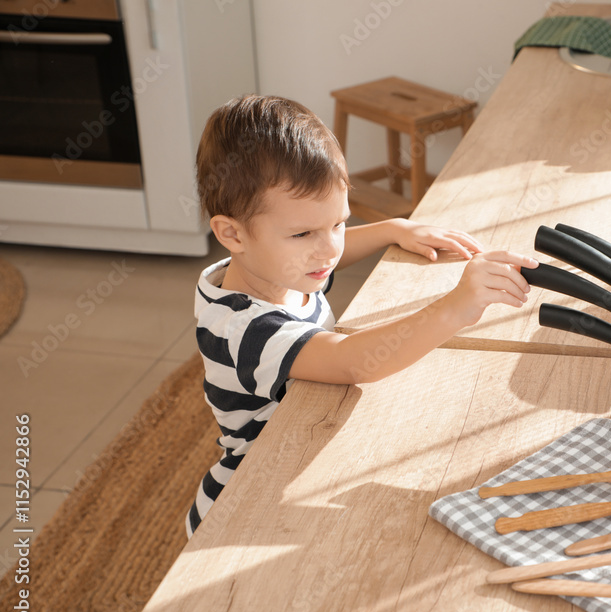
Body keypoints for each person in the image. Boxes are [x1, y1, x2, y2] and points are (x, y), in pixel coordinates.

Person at [186, 95, 537, 537]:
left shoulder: (274, 269)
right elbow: (353, 360)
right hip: (248, 502)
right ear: (231, 233)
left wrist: (394, 228)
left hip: (306, 453)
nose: (331, 248)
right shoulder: (242, 328)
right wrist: (456, 306)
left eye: (339, 222)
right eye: (304, 232)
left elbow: (327, 253)